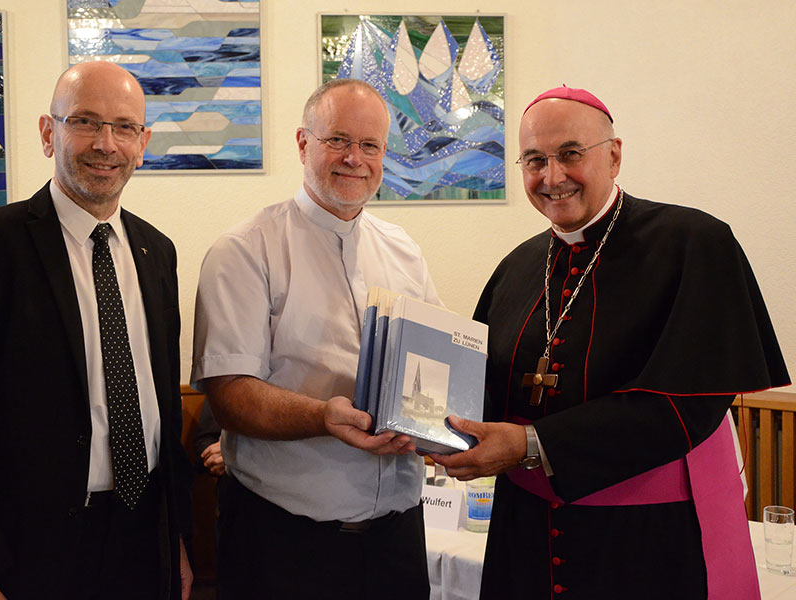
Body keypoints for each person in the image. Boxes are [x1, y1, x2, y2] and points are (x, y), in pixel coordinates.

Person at [431, 86, 790, 599]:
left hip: (648, 544)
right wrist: (427, 426)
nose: (552, 177)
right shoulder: (516, 268)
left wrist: (533, 444)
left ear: (614, 155)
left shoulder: (694, 243)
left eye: (570, 154)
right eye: (534, 160)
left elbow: (686, 407)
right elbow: (485, 389)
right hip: (525, 536)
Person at [0, 61, 193, 600]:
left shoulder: (156, 253)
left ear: (144, 142)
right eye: (85, 122)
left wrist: (175, 538)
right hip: (21, 558)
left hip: (143, 543)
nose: (106, 144)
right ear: (49, 133)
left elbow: (163, 411)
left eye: (124, 127)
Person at [191, 78, 439, 599]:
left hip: (396, 538)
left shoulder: (405, 251)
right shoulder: (245, 249)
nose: (355, 158)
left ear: (384, 154)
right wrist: (322, 417)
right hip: (282, 543)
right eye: (338, 140)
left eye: (369, 145)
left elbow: (432, 363)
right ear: (304, 143)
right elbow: (230, 395)